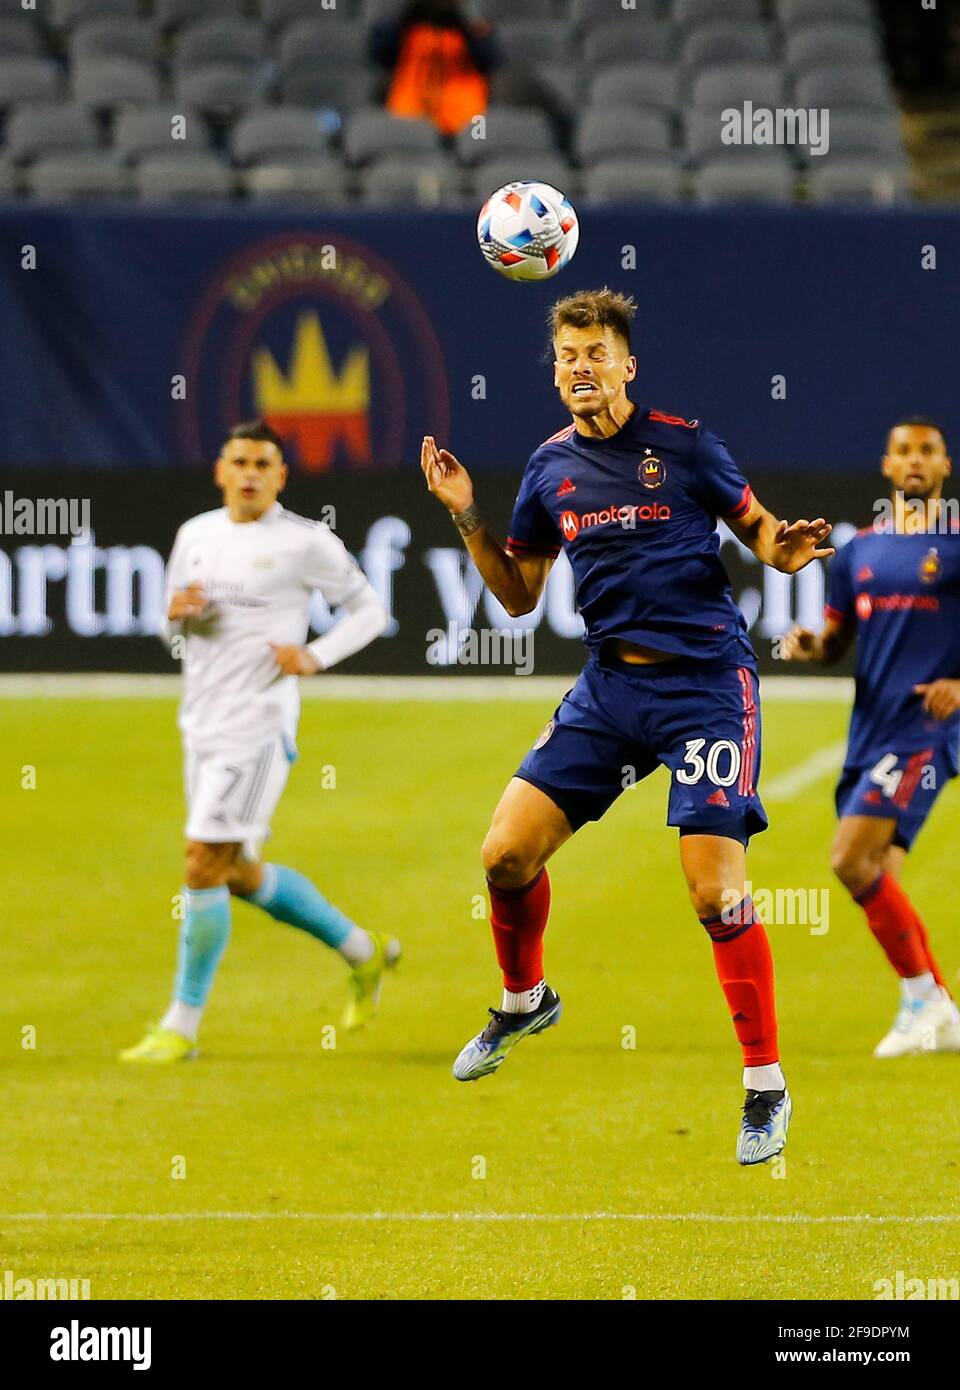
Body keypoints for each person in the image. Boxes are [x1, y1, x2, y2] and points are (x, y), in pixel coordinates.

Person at [421, 288, 834, 1165]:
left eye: (596, 353)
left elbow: (761, 532)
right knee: (502, 856)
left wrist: (784, 551)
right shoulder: (548, 470)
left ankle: (765, 1085)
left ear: (627, 364)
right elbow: (519, 595)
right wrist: (465, 512)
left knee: (715, 895)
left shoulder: (686, 446)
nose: (580, 368)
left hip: (706, 689)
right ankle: (525, 999)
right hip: (610, 692)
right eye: (567, 356)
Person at [121, 421, 398, 1063]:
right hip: (201, 724)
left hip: (259, 727)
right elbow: (172, 636)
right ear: (221, 470)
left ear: (281, 476)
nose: (249, 473)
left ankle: (180, 1028)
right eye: (239, 461)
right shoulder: (195, 535)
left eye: (263, 464)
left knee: (198, 862)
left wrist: (316, 656)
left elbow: (370, 611)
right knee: (236, 874)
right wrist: (176, 618)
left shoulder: (305, 542)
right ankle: (363, 952)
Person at [783, 417, 960, 1057]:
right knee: (878, 873)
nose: (915, 462)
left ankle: (924, 1001)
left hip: (927, 731)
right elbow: (836, 644)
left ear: (944, 466)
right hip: (872, 732)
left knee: (848, 858)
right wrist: (812, 646)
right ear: (887, 466)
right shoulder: (858, 552)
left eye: (928, 452)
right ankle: (938, 1004)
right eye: (904, 452)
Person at [368, 0, 501, 136]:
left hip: (465, 122)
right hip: (409, 119)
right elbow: (379, 54)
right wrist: (407, 13)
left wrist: (465, 20)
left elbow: (490, 60)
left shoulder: (471, 28)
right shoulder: (406, 25)